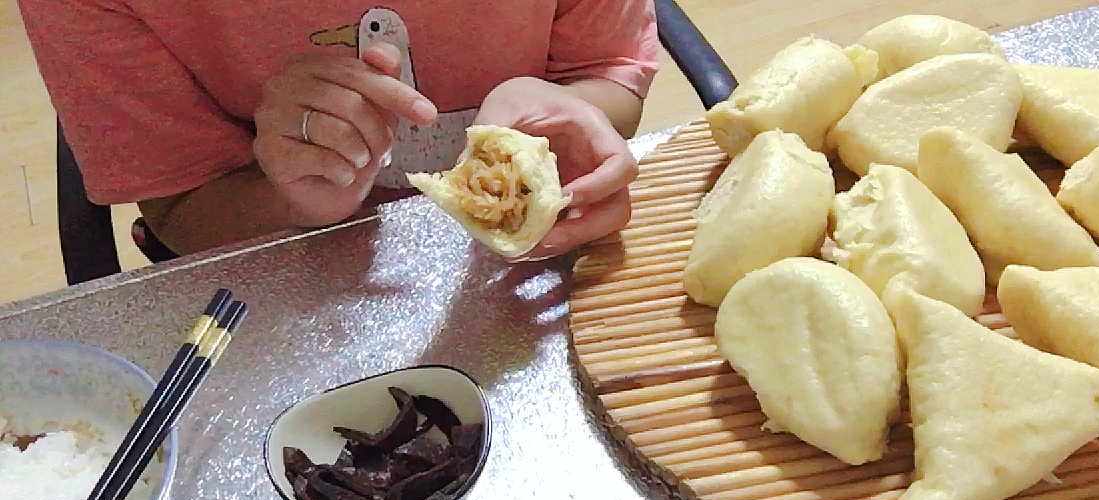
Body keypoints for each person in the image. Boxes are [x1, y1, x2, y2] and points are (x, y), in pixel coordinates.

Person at [18, 0, 660, 260]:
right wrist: (291, 198)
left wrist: (565, 109)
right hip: (286, 280)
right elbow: (181, 206)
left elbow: (605, 74)